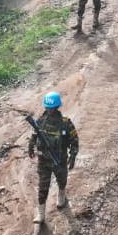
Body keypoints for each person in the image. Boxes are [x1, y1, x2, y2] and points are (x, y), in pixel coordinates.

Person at [27, 92, 79, 225]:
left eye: (52, 108)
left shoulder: (65, 123)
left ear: (57, 107)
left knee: (62, 181)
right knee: (42, 187)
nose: (49, 110)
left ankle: (61, 195)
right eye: (48, 108)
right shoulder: (40, 121)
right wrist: (31, 146)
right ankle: (41, 214)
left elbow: (74, 141)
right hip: (43, 161)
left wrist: (72, 156)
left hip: (59, 161)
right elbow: (34, 134)